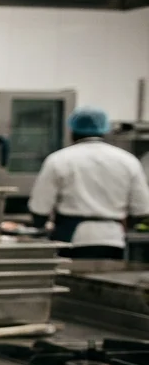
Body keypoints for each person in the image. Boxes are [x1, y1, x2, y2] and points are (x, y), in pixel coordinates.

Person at [28, 106, 149, 260]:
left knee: (71, 274)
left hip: (71, 238)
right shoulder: (128, 161)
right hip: (113, 239)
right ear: (104, 130)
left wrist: (40, 226)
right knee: (108, 275)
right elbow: (141, 209)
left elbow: (40, 208)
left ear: (72, 131)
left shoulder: (59, 160)